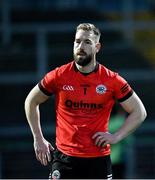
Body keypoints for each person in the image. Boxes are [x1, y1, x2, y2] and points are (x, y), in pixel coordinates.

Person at [24, 23, 147, 179]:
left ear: (97, 47)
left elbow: (140, 112)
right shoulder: (58, 76)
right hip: (64, 159)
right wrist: (38, 138)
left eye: (87, 42)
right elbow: (31, 101)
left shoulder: (112, 80)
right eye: (77, 41)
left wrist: (116, 136)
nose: (81, 46)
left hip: (98, 160)